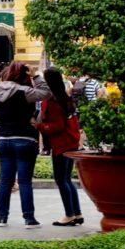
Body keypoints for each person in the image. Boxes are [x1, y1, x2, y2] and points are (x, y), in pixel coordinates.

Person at [0, 61, 52, 228]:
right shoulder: (25, 92)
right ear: (23, 75)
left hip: (5, 141)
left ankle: (2, 217)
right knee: (25, 181)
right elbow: (46, 92)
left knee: (6, 181)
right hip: (25, 139)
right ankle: (29, 218)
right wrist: (35, 75)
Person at [37, 67, 83, 227]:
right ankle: (77, 213)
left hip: (61, 144)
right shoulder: (65, 98)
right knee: (67, 179)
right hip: (71, 142)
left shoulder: (53, 101)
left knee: (61, 179)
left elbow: (57, 125)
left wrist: (39, 126)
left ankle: (69, 214)